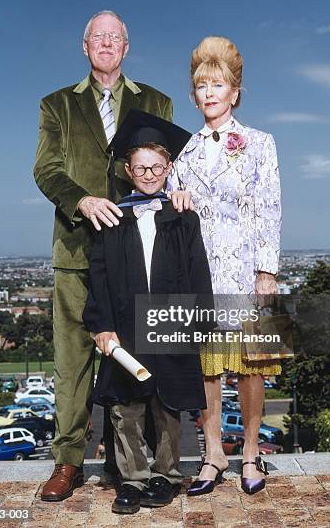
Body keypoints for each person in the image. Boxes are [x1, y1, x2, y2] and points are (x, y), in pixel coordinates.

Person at [34, 10, 174, 502]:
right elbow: (46, 170)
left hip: (137, 254)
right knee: (72, 363)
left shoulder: (156, 101)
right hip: (75, 252)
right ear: (85, 46)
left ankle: (131, 464)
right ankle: (67, 462)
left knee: (136, 359)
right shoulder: (56, 105)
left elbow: (163, 167)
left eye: (115, 37)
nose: (107, 43)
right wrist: (82, 200)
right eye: (99, 36)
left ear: (127, 47)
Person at [83, 111, 214, 514]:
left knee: (168, 403)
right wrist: (102, 325)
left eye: (157, 166)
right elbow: (99, 276)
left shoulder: (182, 217)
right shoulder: (112, 219)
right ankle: (133, 478)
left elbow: (197, 270)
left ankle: (167, 475)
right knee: (127, 407)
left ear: (168, 167)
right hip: (125, 321)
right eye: (140, 167)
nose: (149, 173)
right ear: (128, 169)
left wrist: (201, 321)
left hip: (171, 319)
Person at [167, 36, 282, 496]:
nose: (210, 93)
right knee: (207, 370)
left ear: (235, 92)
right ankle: (213, 454)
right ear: (193, 96)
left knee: (252, 367)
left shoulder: (260, 143)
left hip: (250, 273)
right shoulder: (183, 152)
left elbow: (270, 207)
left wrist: (267, 272)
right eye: (202, 86)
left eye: (219, 84)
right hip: (201, 277)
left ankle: (251, 454)